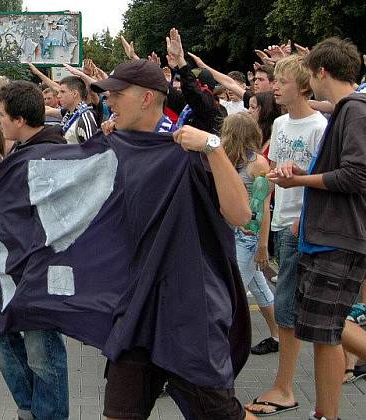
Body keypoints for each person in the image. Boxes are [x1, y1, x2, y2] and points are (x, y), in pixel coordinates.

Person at [89, 58, 252, 420]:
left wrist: (214, 147)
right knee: (119, 414)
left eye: (117, 94)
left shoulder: (187, 148)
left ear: (147, 98)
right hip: (137, 308)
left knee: (222, 415)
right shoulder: (118, 147)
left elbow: (240, 215)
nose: (109, 101)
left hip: (189, 309)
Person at [268, 38, 366, 420]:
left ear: (321, 73)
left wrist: (301, 183)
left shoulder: (358, 111)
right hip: (335, 235)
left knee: (326, 326)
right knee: (323, 330)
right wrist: (307, 175)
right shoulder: (352, 109)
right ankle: (328, 413)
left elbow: (360, 173)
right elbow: (349, 170)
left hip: (343, 236)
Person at [245, 55, 328, 417]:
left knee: (289, 309)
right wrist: (259, 214)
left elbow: (324, 178)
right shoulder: (279, 124)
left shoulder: (318, 126)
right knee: (310, 304)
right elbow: (273, 174)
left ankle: (284, 387)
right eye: (274, 79)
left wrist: (301, 216)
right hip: (283, 221)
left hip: (303, 225)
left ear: (305, 85)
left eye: (282, 80)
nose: (274, 86)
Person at [0, 80, 69, 420]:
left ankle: (46, 414)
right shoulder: (23, 151)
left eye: (2, 114)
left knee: (41, 350)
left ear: (20, 119)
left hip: (40, 267)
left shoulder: (50, 154)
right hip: (14, 263)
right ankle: (31, 408)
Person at [221, 113, 280, 356]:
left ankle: (223, 346)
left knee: (230, 294)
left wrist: (262, 245)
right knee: (259, 288)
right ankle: (278, 335)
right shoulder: (227, 158)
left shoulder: (257, 164)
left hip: (247, 237)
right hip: (231, 232)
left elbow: (264, 206)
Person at [52, 76, 98, 144]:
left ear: (74, 94)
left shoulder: (85, 118)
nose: (58, 96)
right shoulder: (69, 114)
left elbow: (93, 149)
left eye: (62, 92)